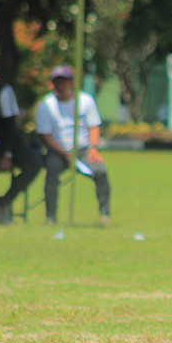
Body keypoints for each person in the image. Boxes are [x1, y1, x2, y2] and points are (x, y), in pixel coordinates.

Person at [35, 65, 111, 226]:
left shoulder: (85, 100)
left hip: (83, 149)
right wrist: (65, 153)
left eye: (64, 81)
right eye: (57, 81)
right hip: (57, 150)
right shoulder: (46, 105)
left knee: (100, 171)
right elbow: (46, 136)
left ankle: (105, 213)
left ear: (71, 82)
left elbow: (94, 126)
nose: (61, 85)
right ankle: (51, 217)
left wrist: (93, 148)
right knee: (52, 171)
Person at [0, 57, 42, 224]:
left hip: (7, 142)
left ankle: (3, 202)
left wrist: (7, 154)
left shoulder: (2, 91)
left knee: (34, 162)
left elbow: (11, 126)